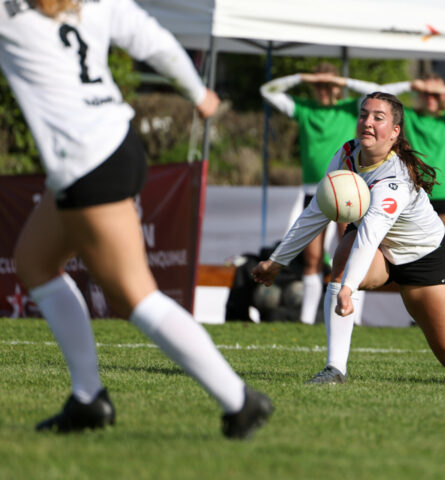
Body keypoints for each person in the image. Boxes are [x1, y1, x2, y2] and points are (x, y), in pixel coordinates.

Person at [1, 0, 272, 437]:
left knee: (134, 297)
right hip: (113, 145)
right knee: (34, 261)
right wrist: (199, 93)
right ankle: (87, 399)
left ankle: (239, 400)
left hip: (87, 162)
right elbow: (157, 42)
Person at [252, 92, 445, 385]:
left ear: (395, 132)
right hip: (381, 250)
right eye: (364, 115)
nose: (367, 122)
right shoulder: (346, 153)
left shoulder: (395, 179)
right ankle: (334, 370)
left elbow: (369, 236)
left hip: (424, 258)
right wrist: (277, 261)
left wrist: (349, 287)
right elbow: (316, 211)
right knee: (342, 259)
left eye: (378, 118)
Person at [260, 64, 378, 325]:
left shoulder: (349, 108)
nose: (324, 90)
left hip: (348, 188)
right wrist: (305, 77)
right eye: (319, 86)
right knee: (311, 258)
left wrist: (342, 80)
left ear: (338, 86)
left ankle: (353, 316)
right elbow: (268, 91)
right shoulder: (305, 108)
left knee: (349, 252)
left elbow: (375, 92)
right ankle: (306, 319)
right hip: (313, 191)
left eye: (329, 86)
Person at [378, 72, 445, 258]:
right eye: (426, 93)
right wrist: (412, 85)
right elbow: (378, 97)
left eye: (436, 94)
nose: (431, 97)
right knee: (416, 259)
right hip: (415, 194)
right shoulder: (409, 117)